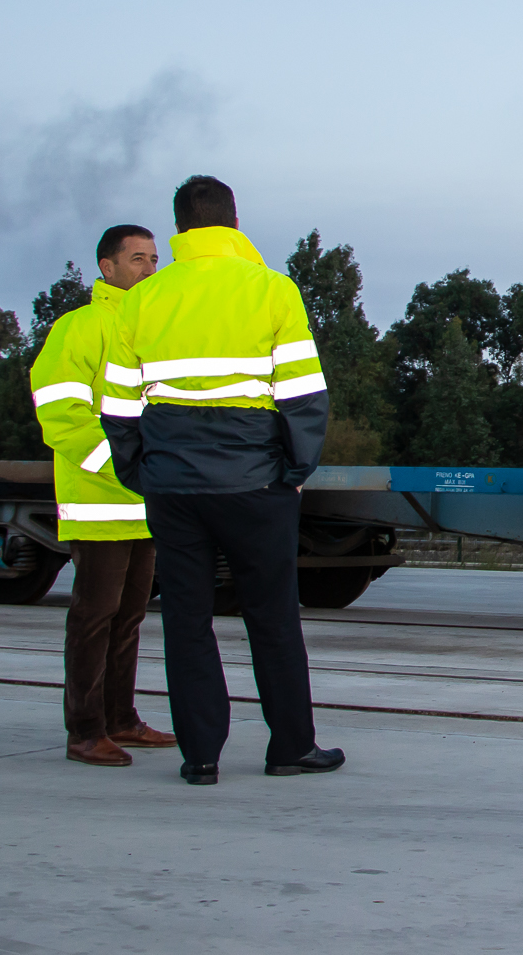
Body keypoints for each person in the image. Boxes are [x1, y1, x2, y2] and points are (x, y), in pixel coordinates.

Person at [99, 175, 342, 785]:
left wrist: (141, 471)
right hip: (257, 485)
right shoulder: (272, 289)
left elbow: (119, 407)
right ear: (234, 223)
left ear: (180, 228)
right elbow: (305, 396)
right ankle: (290, 747)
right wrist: (292, 470)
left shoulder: (141, 300)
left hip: (174, 488)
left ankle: (200, 756)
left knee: (186, 618)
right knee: (273, 618)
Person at [28, 224, 179, 767]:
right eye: (136, 258)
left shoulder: (152, 327)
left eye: (155, 258)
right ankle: (85, 731)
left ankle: (122, 720)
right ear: (106, 268)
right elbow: (61, 414)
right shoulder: (82, 326)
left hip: (144, 503)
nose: (149, 268)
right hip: (98, 499)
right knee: (94, 617)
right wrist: (123, 468)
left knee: (130, 618)